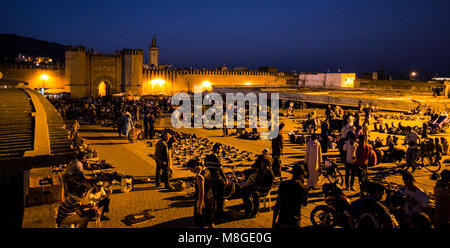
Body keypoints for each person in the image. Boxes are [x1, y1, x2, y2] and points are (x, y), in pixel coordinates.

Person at [241, 152, 275, 218]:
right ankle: (248, 209)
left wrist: (259, 187)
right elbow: (250, 170)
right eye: (261, 163)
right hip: (256, 187)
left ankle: (255, 211)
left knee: (255, 194)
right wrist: (243, 173)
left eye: (263, 164)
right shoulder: (259, 170)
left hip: (263, 190)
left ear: (267, 165)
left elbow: (269, 187)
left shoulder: (270, 174)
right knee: (244, 191)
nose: (261, 165)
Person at [186, 158, 215, 228]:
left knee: (200, 223)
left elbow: (201, 192)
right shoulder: (207, 170)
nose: (190, 171)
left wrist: (199, 207)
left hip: (203, 201)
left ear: (195, 166)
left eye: (191, 169)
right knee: (210, 222)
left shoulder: (199, 176)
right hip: (210, 198)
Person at [205, 143, 228, 216]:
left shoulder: (207, 157)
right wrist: (225, 178)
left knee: (213, 196)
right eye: (220, 149)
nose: (221, 150)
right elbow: (220, 169)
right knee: (220, 196)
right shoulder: (218, 158)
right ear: (217, 149)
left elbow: (206, 166)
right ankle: (220, 211)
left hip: (210, 179)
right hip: (217, 179)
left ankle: (213, 211)